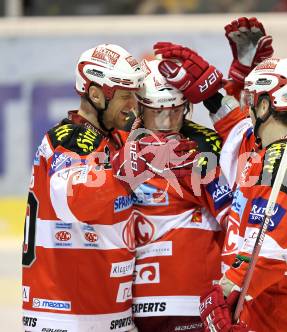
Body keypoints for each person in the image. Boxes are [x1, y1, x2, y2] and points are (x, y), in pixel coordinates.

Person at [153, 18, 287, 330]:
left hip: (283, 317)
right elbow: (236, 128)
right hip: (267, 309)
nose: (246, 107)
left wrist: (224, 292)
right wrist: (211, 92)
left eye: (252, 100)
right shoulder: (273, 147)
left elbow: (268, 252)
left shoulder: (282, 165)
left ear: (265, 106)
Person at [21, 44, 195, 332]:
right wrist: (128, 169)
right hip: (65, 318)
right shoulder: (69, 138)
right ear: (95, 94)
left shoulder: (116, 140)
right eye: (125, 96)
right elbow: (74, 201)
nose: (133, 105)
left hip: (108, 315)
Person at [128, 58, 233, 332]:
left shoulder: (206, 145)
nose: (167, 123)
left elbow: (237, 216)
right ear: (139, 108)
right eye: (157, 112)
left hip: (192, 301)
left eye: (175, 111)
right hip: (132, 303)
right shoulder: (119, 145)